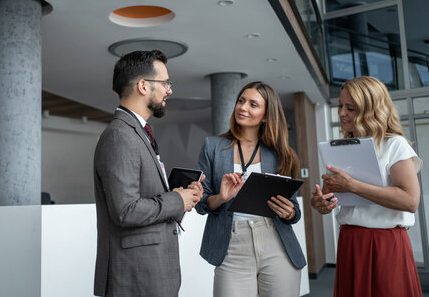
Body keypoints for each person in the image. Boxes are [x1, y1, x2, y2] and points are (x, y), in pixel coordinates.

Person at [93, 50, 204, 297]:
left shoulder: (138, 133)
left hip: (150, 270)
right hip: (136, 275)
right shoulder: (120, 136)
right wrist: (177, 200)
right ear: (143, 86)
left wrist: (182, 198)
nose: (169, 90)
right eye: (165, 83)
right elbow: (125, 210)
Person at [311, 76, 423, 297]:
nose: (341, 113)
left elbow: (410, 201)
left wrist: (352, 185)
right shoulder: (342, 147)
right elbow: (338, 196)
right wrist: (323, 202)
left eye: (350, 108)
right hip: (350, 241)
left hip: (385, 244)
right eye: (340, 106)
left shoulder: (394, 145)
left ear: (370, 110)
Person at [195, 81, 306, 297]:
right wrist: (221, 197)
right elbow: (200, 203)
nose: (243, 107)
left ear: (266, 115)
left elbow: (294, 211)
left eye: (253, 104)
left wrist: (290, 212)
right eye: (241, 101)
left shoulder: (281, 153)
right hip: (231, 245)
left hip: (276, 242)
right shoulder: (213, 147)